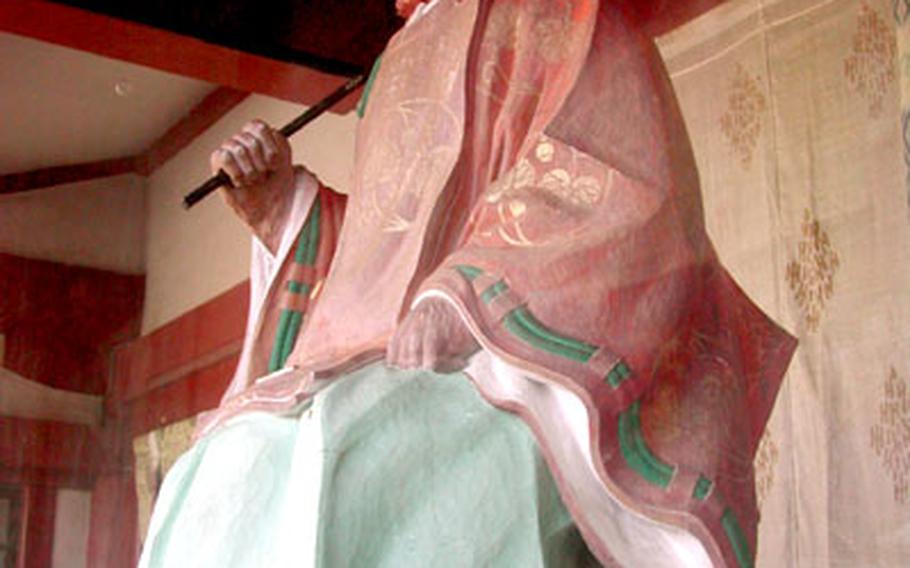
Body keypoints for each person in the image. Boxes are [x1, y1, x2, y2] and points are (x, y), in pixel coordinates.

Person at [139, 1, 797, 566]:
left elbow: (619, 180)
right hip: (385, 350)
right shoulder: (400, 56)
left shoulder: (558, 15)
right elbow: (387, 247)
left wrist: (464, 295)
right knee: (225, 461)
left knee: (348, 455)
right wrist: (283, 209)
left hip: (516, 350)